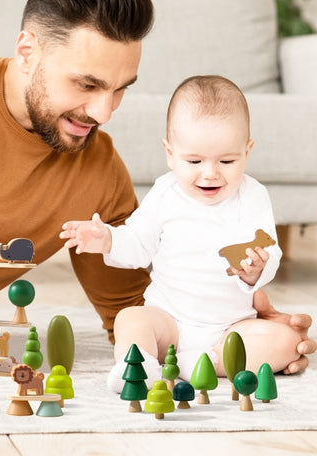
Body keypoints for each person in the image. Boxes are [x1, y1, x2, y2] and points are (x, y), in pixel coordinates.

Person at [0, 0, 313, 375]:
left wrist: (244, 329)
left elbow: (134, 306)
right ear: (27, 51)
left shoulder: (98, 171)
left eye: (120, 89)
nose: (103, 112)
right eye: (87, 84)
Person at [60, 75, 315, 391]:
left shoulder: (253, 195)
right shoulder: (165, 193)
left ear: (247, 152)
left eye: (227, 160)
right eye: (194, 160)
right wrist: (108, 239)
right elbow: (139, 242)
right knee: (131, 320)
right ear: (169, 153)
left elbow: (269, 248)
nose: (210, 173)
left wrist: (257, 270)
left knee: (287, 340)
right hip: (170, 321)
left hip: (231, 327)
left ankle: (197, 364)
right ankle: (139, 365)